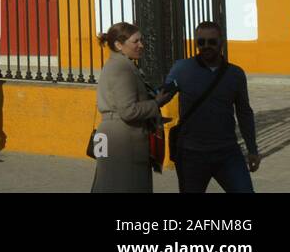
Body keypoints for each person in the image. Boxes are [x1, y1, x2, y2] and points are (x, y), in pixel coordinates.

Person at [161, 20, 260, 193]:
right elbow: (162, 96)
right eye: (201, 42)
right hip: (191, 154)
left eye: (212, 42)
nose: (206, 46)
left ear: (221, 42)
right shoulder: (182, 69)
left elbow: (244, 112)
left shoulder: (235, 74)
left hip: (228, 152)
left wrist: (252, 149)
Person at [91, 21, 171, 193]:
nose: (141, 45)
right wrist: (156, 103)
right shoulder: (122, 68)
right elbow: (128, 111)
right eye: (136, 41)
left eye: (141, 40)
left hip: (110, 133)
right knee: (127, 185)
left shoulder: (115, 65)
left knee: (108, 183)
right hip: (124, 138)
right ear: (119, 45)